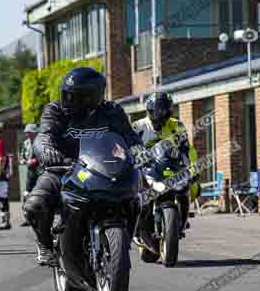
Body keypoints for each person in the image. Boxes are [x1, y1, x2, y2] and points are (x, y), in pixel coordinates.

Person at [23, 67, 142, 265]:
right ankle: (45, 244)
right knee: (35, 204)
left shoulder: (111, 111)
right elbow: (44, 136)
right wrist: (46, 151)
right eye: (66, 94)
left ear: (91, 97)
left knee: (134, 197)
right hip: (63, 168)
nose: (67, 99)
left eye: (73, 95)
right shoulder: (55, 110)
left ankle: (123, 240)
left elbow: (129, 136)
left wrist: (138, 149)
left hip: (101, 169)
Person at [132, 91, 200, 238]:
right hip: (145, 169)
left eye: (163, 111)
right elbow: (128, 149)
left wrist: (193, 167)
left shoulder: (177, 125)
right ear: (149, 110)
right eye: (156, 110)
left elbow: (187, 149)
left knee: (191, 187)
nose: (159, 114)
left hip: (170, 167)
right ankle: (135, 226)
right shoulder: (138, 127)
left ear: (169, 111)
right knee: (134, 193)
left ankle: (181, 221)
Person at [19, 124, 40, 227]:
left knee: (41, 195)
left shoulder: (42, 142)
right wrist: (25, 161)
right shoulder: (26, 143)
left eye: (30, 132)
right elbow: (21, 157)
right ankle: (28, 218)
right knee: (27, 195)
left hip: (41, 172)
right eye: (27, 133)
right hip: (31, 173)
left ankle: (42, 217)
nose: (28, 134)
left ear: (35, 132)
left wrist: (37, 160)